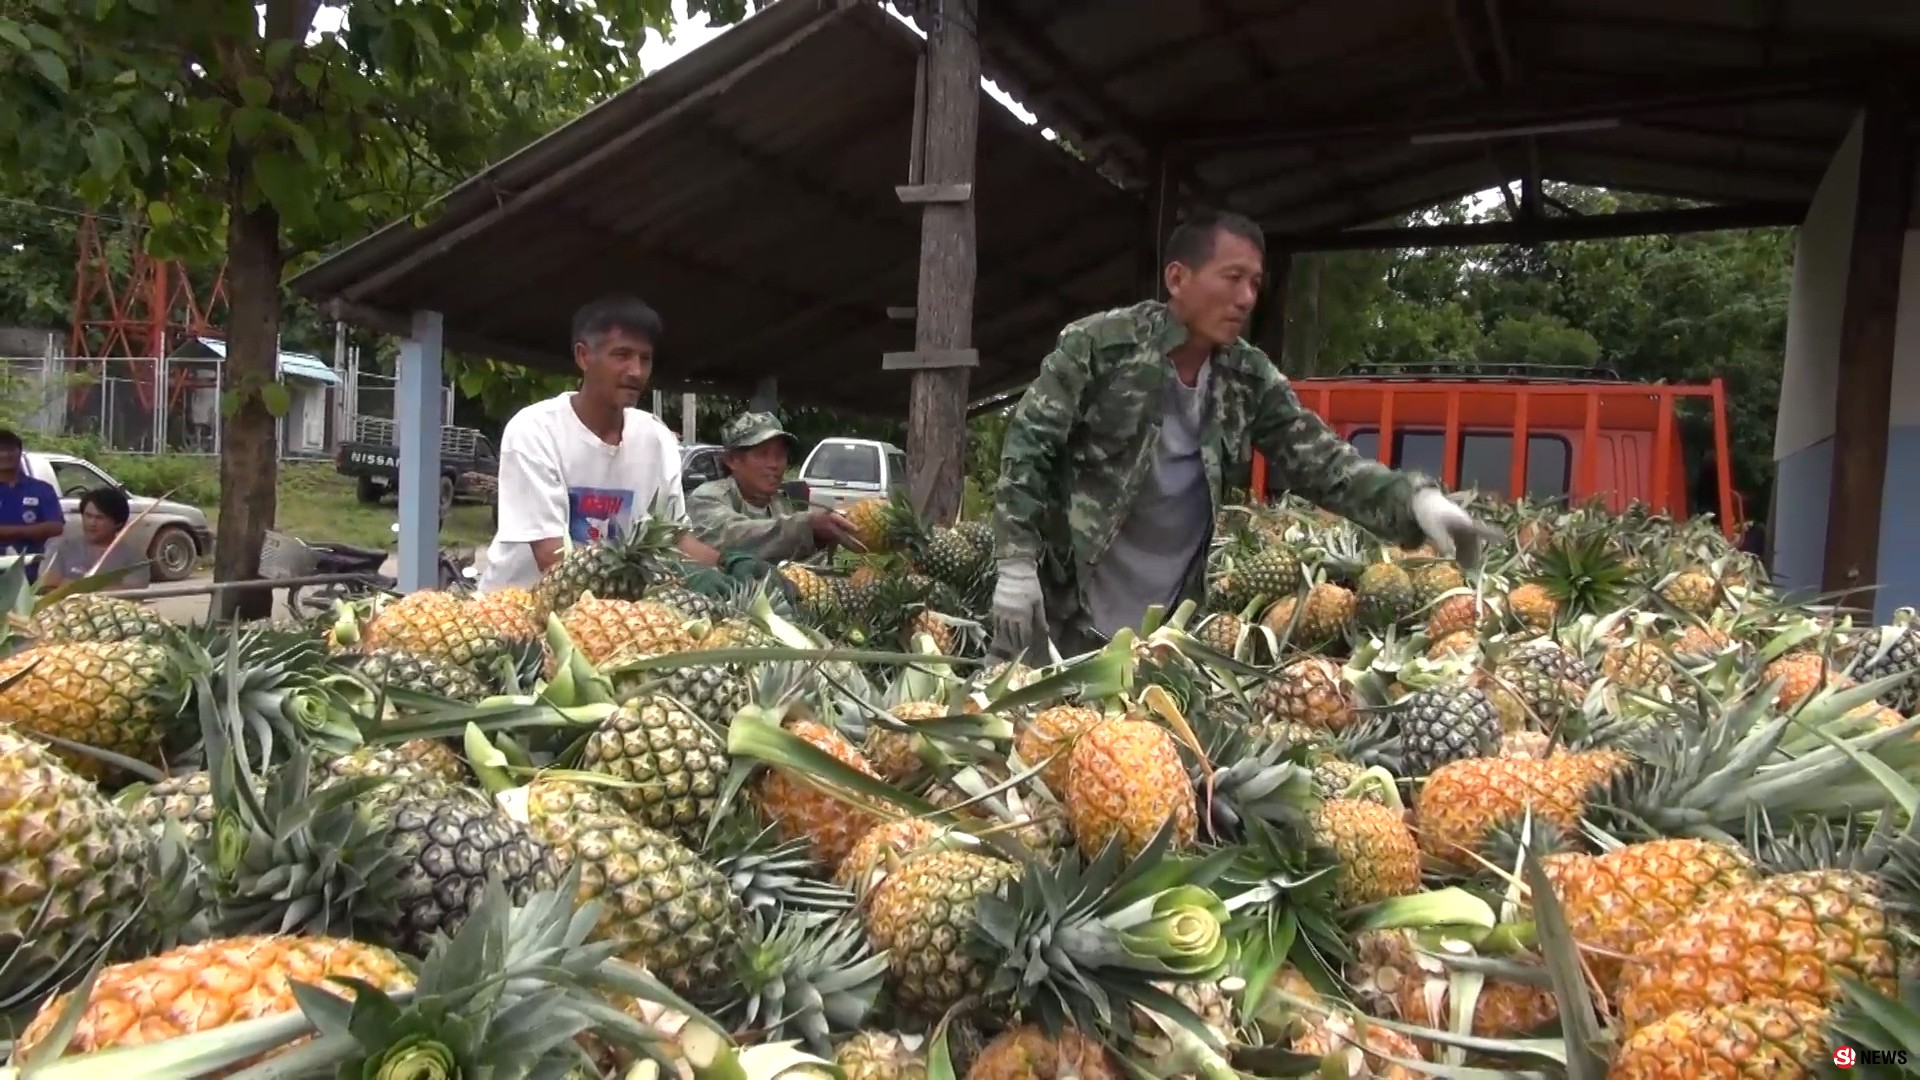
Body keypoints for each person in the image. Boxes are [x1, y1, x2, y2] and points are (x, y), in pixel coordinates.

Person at [991, 208, 1492, 659]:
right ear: (1178, 278)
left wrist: (1418, 504)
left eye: (1255, 283)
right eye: (1232, 278)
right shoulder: (1099, 347)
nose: (1246, 298)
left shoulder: (1249, 380)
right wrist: (1014, 562)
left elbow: (1324, 463)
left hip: (1165, 628)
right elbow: (1029, 447)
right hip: (1061, 611)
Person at [478, 296, 721, 593]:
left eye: (645, 358)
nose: (636, 371)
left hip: (612, 620)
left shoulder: (656, 438)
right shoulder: (535, 430)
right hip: (521, 618)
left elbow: (675, 538)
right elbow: (553, 560)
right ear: (583, 356)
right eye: (622, 355)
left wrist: (729, 567)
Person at [687, 412, 861, 562]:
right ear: (732, 460)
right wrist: (806, 526)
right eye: (763, 454)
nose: (774, 464)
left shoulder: (779, 503)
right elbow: (731, 536)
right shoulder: (707, 498)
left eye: (780, 455)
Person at [41, 486, 150, 590]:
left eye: (100, 518)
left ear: (118, 523)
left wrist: (67, 585)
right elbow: (46, 585)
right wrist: (107, 587)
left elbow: (132, 592)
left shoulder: (135, 558)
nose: (92, 523)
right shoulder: (60, 548)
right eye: (88, 516)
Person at [0, 429, 65, 582]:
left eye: (10, 449)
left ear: (19, 453)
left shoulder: (41, 489)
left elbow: (56, 527)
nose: (5, 455)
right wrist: (33, 531)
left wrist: (7, 532)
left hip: (32, 570)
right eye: (1, 450)